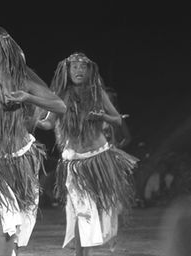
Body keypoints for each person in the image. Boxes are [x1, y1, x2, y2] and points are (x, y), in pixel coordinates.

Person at [0, 25, 66, 256]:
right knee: (6, 224)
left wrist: (28, 97)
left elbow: (60, 106)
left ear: (4, 46)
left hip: (21, 159)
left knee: (17, 226)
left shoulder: (23, 76)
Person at [37, 52, 137, 256]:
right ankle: (81, 254)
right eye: (74, 67)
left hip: (99, 159)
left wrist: (102, 116)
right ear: (67, 70)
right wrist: (33, 122)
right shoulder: (60, 95)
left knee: (92, 210)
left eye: (83, 67)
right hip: (74, 161)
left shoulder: (97, 93)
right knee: (81, 210)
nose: (78, 71)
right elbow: (48, 122)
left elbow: (117, 120)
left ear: (90, 71)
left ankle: (84, 252)